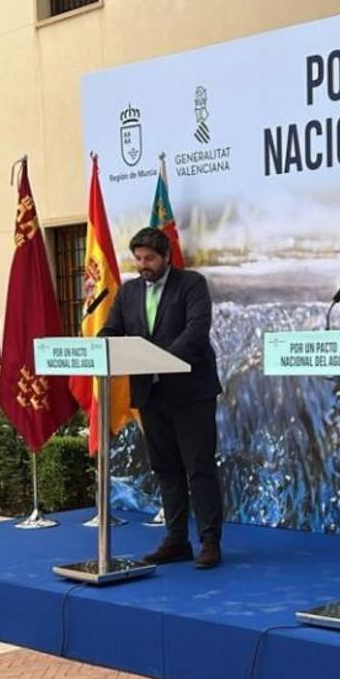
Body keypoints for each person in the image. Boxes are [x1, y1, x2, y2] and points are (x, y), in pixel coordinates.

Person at [99, 227, 224, 568]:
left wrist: (161, 360)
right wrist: (99, 340)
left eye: (150, 258)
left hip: (190, 392)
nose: (143, 265)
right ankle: (176, 540)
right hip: (150, 394)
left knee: (199, 468)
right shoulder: (128, 293)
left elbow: (196, 332)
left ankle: (210, 542)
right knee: (166, 469)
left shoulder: (192, 284)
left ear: (166, 257)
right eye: (138, 259)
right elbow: (112, 331)